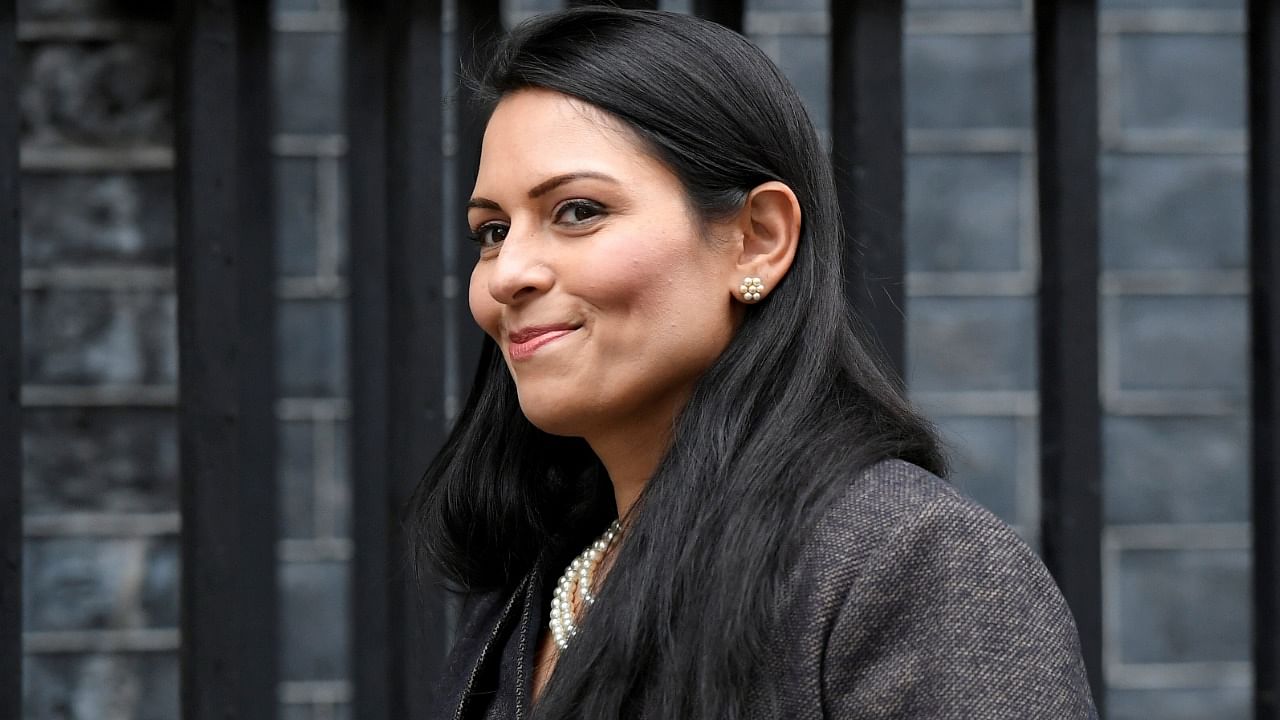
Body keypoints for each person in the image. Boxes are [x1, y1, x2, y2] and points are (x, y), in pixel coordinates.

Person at [409, 6, 1098, 719]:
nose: (506, 274)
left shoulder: (905, 564)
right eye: (491, 231)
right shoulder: (538, 580)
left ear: (758, 241)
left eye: (578, 211)